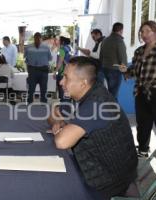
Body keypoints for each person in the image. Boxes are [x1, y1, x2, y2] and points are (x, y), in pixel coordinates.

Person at [49, 56, 138, 199]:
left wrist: (64, 127)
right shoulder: (87, 94)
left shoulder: (97, 104)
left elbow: (62, 142)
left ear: (83, 83)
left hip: (110, 183)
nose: (61, 82)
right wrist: (58, 122)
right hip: (109, 172)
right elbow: (54, 111)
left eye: (66, 78)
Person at [119, 20, 156, 158]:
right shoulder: (139, 51)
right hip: (140, 91)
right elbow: (134, 73)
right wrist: (125, 71)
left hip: (155, 91)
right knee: (143, 122)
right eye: (142, 31)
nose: (144, 34)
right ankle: (143, 149)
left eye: (147, 31)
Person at [100, 22, 127, 99]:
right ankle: (113, 110)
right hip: (115, 71)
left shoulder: (105, 40)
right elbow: (123, 58)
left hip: (105, 69)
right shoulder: (119, 41)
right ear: (121, 30)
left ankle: (107, 109)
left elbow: (101, 56)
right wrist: (125, 72)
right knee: (113, 95)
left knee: (108, 93)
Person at [24, 32, 52, 103]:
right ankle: (43, 103)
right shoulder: (46, 47)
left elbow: (25, 58)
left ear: (34, 38)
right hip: (43, 70)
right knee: (43, 89)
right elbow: (50, 58)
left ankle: (29, 103)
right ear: (41, 38)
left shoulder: (28, 47)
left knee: (31, 89)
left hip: (32, 70)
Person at [55, 36, 72, 100]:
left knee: (62, 91)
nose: (58, 41)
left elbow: (60, 61)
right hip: (69, 72)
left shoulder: (62, 49)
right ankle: (67, 105)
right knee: (67, 91)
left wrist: (55, 72)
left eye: (59, 40)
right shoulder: (70, 48)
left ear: (63, 41)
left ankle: (63, 106)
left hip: (62, 73)